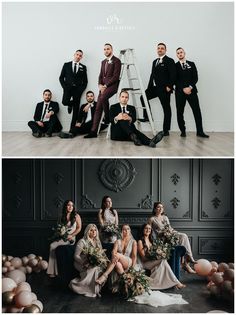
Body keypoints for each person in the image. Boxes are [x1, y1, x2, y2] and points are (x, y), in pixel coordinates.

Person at [84, 43, 121, 138]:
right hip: (103, 87)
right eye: (104, 49)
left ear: (111, 50)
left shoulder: (117, 61)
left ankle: (107, 117)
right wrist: (100, 85)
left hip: (112, 86)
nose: (106, 51)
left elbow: (116, 76)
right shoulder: (103, 62)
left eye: (108, 49)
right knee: (98, 108)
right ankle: (93, 131)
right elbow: (100, 75)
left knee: (103, 97)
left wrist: (105, 85)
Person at [148, 202, 196, 274]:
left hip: (170, 234)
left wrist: (174, 233)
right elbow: (149, 230)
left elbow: (169, 228)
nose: (161, 209)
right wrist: (151, 241)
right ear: (155, 209)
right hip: (162, 238)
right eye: (158, 207)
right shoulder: (152, 219)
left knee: (184, 236)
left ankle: (187, 259)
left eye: (162, 207)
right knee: (182, 238)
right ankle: (185, 263)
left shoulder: (165, 217)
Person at [140, 43, 176, 136]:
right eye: (158, 48)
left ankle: (166, 130)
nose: (160, 50)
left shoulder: (170, 60)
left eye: (162, 48)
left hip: (165, 89)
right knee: (143, 97)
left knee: (166, 108)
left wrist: (170, 86)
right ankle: (147, 117)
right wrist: (149, 87)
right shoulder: (154, 61)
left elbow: (173, 75)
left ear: (165, 50)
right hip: (155, 88)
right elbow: (152, 75)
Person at [137, 223, 186, 289]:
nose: (148, 230)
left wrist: (158, 254)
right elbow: (143, 258)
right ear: (143, 230)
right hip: (145, 264)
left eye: (149, 229)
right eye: (146, 228)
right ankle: (176, 282)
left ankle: (174, 282)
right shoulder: (140, 242)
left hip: (152, 261)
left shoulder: (151, 241)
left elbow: (156, 251)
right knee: (163, 260)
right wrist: (154, 256)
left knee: (163, 261)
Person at [175, 47, 209, 138]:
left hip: (192, 91)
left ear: (184, 53)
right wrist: (183, 88)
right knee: (179, 112)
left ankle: (200, 131)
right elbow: (175, 79)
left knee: (197, 111)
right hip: (180, 92)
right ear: (177, 55)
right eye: (178, 53)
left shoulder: (192, 64)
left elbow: (195, 77)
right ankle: (183, 131)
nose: (180, 54)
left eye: (181, 52)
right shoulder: (175, 66)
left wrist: (190, 87)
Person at [47, 200, 82, 277]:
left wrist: (72, 235)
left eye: (72, 206)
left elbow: (79, 228)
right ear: (65, 206)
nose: (70, 207)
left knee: (52, 246)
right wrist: (60, 233)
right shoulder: (61, 216)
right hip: (63, 237)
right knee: (52, 246)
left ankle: (52, 272)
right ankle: (53, 271)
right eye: (69, 205)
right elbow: (59, 228)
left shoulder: (76, 216)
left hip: (71, 239)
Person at [69, 224, 105, 297]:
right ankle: (76, 285)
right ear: (88, 231)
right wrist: (84, 263)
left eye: (95, 230)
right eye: (91, 230)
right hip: (80, 262)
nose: (94, 232)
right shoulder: (82, 241)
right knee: (94, 269)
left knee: (97, 268)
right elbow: (76, 256)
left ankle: (94, 291)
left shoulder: (97, 242)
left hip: (92, 263)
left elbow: (101, 254)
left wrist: (101, 260)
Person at [59, 49, 88, 131]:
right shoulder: (66, 65)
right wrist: (65, 87)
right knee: (64, 102)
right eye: (77, 54)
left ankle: (71, 129)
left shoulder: (83, 67)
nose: (78, 56)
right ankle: (70, 104)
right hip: (67, 89)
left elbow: (85, 81)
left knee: (75, 111)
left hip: (77, 91)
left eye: (80, 56)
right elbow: (61, 77)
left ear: (81, 57)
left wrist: (80, 90)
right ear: (74, 54)